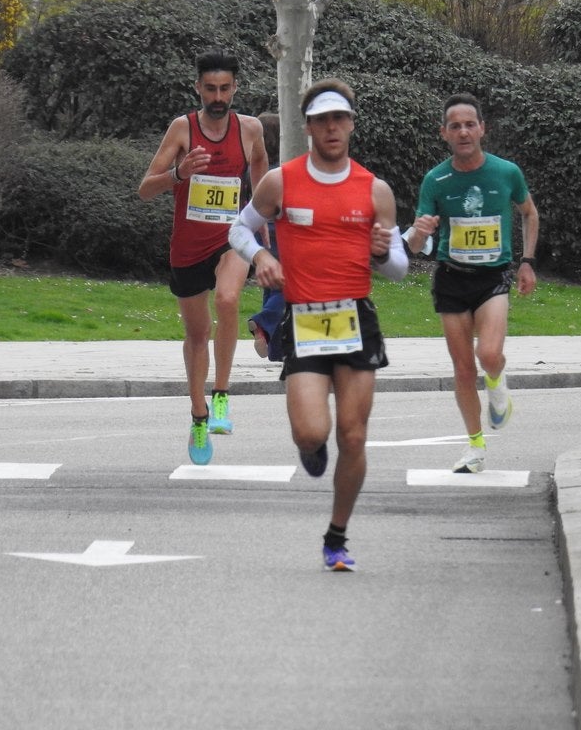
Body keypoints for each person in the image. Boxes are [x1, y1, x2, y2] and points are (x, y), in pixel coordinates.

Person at [229, 79, 408, 572]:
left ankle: (337, 536)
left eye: (340, 118)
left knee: (353, 436)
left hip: (356, 319)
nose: (332, 128)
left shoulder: (376, 190)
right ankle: (311, 449)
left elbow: (397, 267)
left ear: (350, 124)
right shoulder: (281, 182)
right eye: (322, 120)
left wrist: (383, 254)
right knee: (312, 432)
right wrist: (262, 254)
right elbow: (238, 228)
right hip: (303, 320)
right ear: (308, 127)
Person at [139, 49, 269, 465]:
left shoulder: (249, 129)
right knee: (198, 334)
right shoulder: (182, 129)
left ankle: (222, 396)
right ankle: (198, 414)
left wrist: (261, 215)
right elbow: (144, 188)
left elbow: (261, 167)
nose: (218, 96)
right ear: (198, 88)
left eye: (225, 88)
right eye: (210, 88)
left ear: (235, 88)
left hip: (232, 236)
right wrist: (179, 174)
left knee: (229, 299)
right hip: (188, 245)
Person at [405, 92, 539, 475]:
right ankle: (475, 446)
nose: (463, 132)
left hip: (493, 277)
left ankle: (498, 386)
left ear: (482, 129)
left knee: (489, 355)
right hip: (451, 278)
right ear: (444, 133)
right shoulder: (436, 180)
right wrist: (419, 231)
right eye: (455, 126)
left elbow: (529, 214)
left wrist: (527, 262)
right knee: (463, 370)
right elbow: (416, 245)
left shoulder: (506, 172)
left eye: (469, 124)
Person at [246, 110, 285, 361]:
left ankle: (275, 347)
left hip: (259, 233)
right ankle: (263, 322)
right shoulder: (282, 171)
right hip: (280, 231)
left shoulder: (253, 169)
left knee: (270, 284)